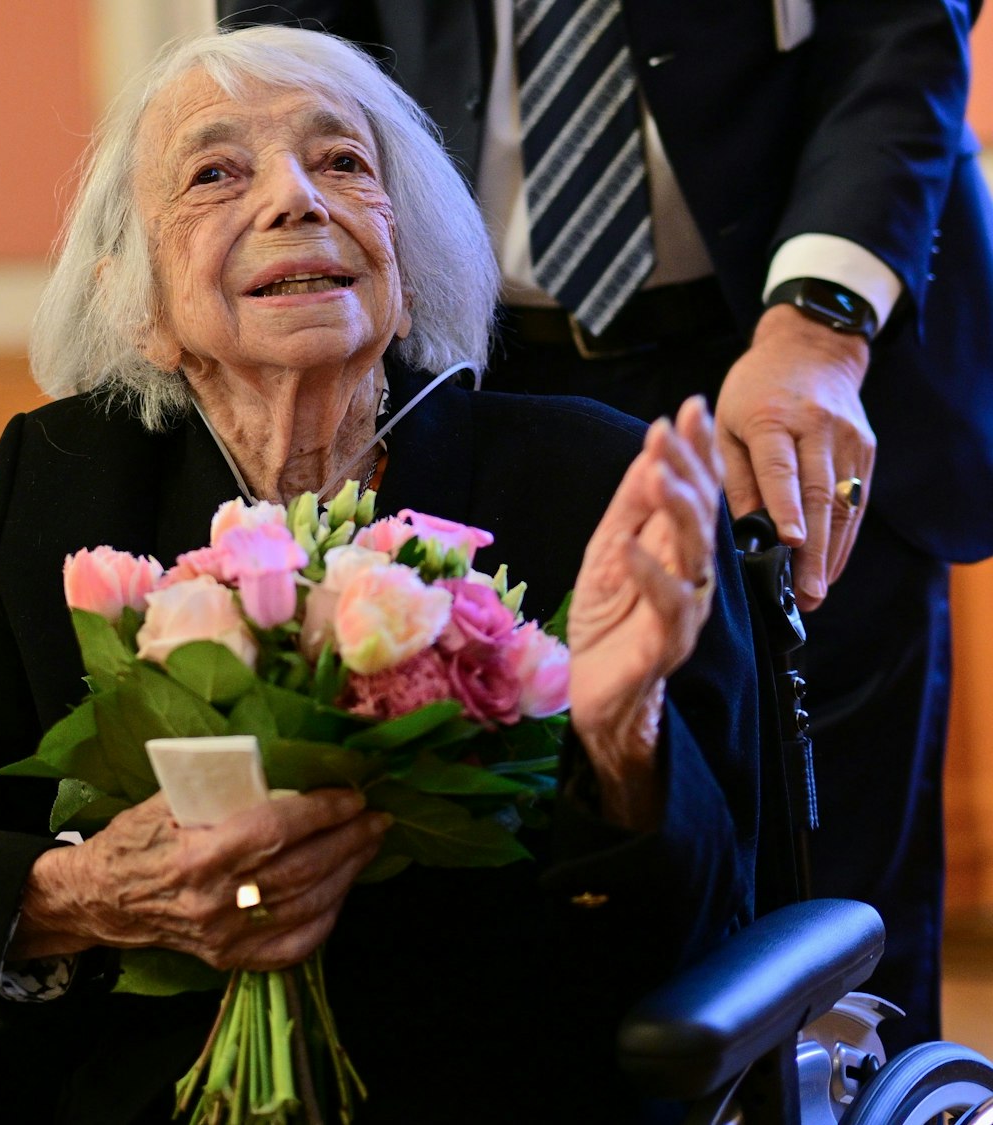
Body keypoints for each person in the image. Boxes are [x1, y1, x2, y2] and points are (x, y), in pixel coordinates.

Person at [0, 27, 757, 1122]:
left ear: (403, 259)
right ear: (138, 304)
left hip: (489, 1076)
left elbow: (713, 918)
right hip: (155, 1081)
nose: (294, 199)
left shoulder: (590, 479)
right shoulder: (75, 486)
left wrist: (621, 737)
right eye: (215, 174)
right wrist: (87, 894)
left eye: (341, 163)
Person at [219, 1, 992, 1051]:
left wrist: (821, 330)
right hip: (471, 369)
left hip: (789, 350)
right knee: (517, 871)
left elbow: (893, 34)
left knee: (839, 905)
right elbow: (281, 56)